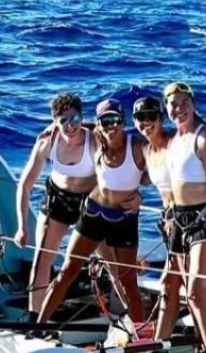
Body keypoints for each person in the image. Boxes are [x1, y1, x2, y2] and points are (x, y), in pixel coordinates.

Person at [38, 99, 147, 326]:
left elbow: (159, 168)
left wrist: (140, 197)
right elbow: (77, 126)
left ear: (123, 121)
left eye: (115, 120)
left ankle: (142, 337)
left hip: (124, 219)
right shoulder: (96, 138)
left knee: (128, 283)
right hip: (93, 213)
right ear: (99, 124)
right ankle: (36, 327)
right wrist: (53, 128)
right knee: (67, 271)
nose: (111, 126)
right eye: (106, 121)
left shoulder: (136, 145)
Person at [14, 93, 99, 319]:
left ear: (82, 117)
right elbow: (25, 185)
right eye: (63, 121)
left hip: (89, 201)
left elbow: (114, 176)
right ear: (54, 121)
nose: (70, 126)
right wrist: (22, 227)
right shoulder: (47, 142)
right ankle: (35, 318)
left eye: (75, 119)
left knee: (109, 259)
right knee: (42, 260)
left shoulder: (94, 141)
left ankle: (122, 315)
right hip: (58, 201)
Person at [163, 81, 206, 353]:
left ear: (193, 104)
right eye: (173, 104)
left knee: (196, 291)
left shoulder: (205, 140)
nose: (178, 109)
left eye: (183, 103)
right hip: (179, 221)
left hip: (204, 221)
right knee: (186, 295)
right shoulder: (174, 141)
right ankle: (204, 351)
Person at [131, 96, 185, 342]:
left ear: (161, 118)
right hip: (168, 222)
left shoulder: (176, 141)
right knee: (171, 284)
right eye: (141, 118)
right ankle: (161, 341)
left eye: (152, 117)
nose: (147, 122)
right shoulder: (145, 149)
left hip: (188, 221)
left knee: (184, 286)